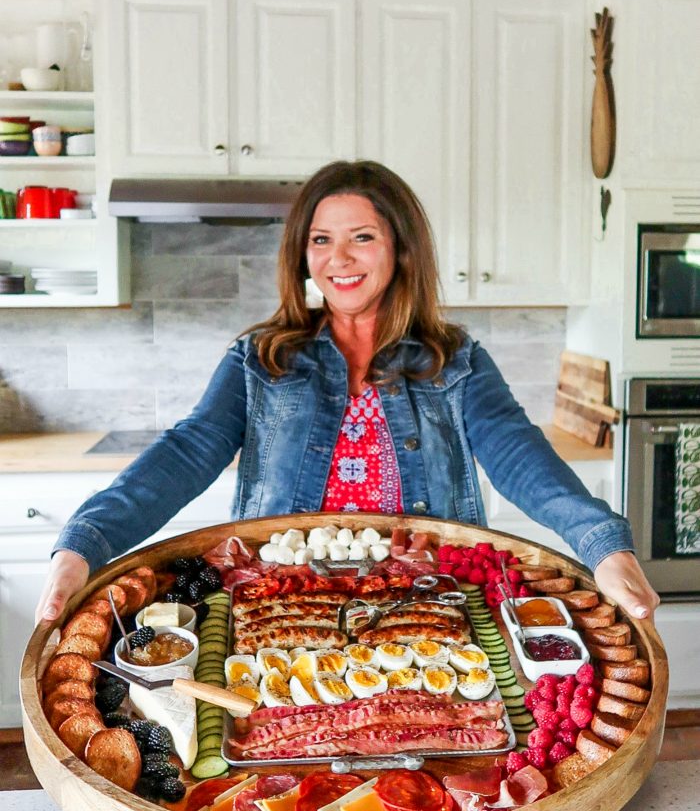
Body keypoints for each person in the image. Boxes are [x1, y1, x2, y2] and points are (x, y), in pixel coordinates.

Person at [36, 160, 659, 624]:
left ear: (400, 248)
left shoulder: (455, 360)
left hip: (429, 607)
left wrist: (602, 545)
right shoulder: (261, 359)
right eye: (320, 239)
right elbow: (186, 452)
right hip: (282, 609)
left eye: (362, 236)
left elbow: (520, 456)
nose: (339, 258)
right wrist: (85, 542)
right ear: (302, 253)